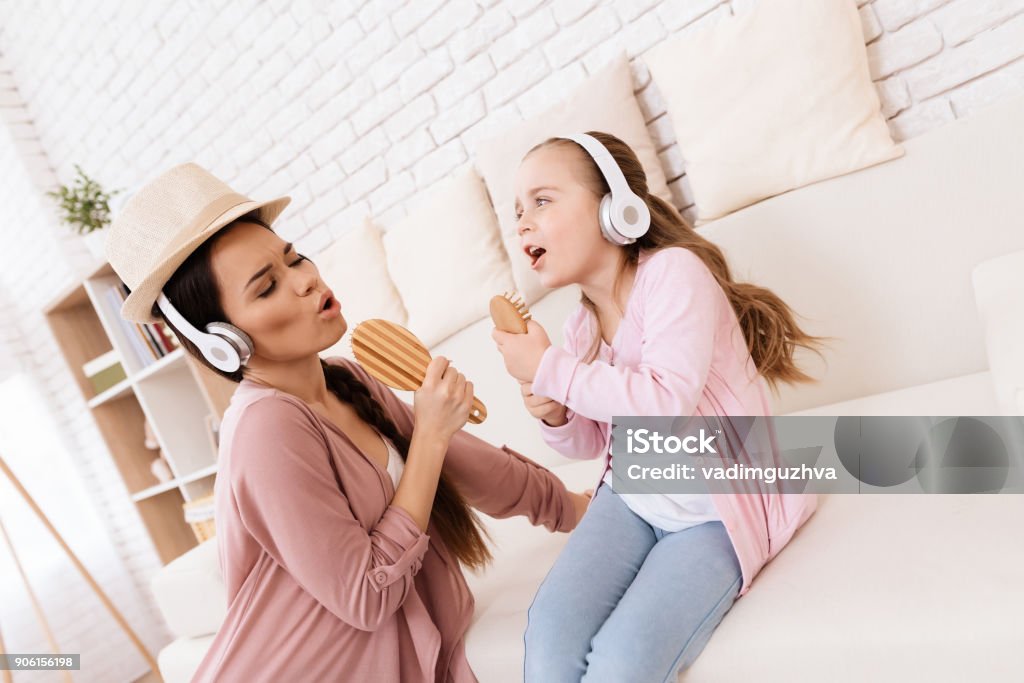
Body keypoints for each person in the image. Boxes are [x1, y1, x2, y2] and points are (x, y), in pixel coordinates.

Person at [104, 162, 591, 682]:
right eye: (267, 287)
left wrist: (574, 507)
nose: (305, 280)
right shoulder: (264, 431)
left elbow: (470, 464)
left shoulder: (343, 377)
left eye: (294, 259)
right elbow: (365, 595)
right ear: (224, 343)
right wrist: (428, 435)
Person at [491, 132, 825, 682]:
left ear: (615, 208)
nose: (523, 222)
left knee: (621, 663)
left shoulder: (673, 273)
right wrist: (555, 411)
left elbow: (666, 400)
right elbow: (592, 442)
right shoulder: (580, 329)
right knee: (548, 632)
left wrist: (554, 369)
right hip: (632, 498)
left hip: (712, 514)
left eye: (543, 201)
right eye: (518, 212)